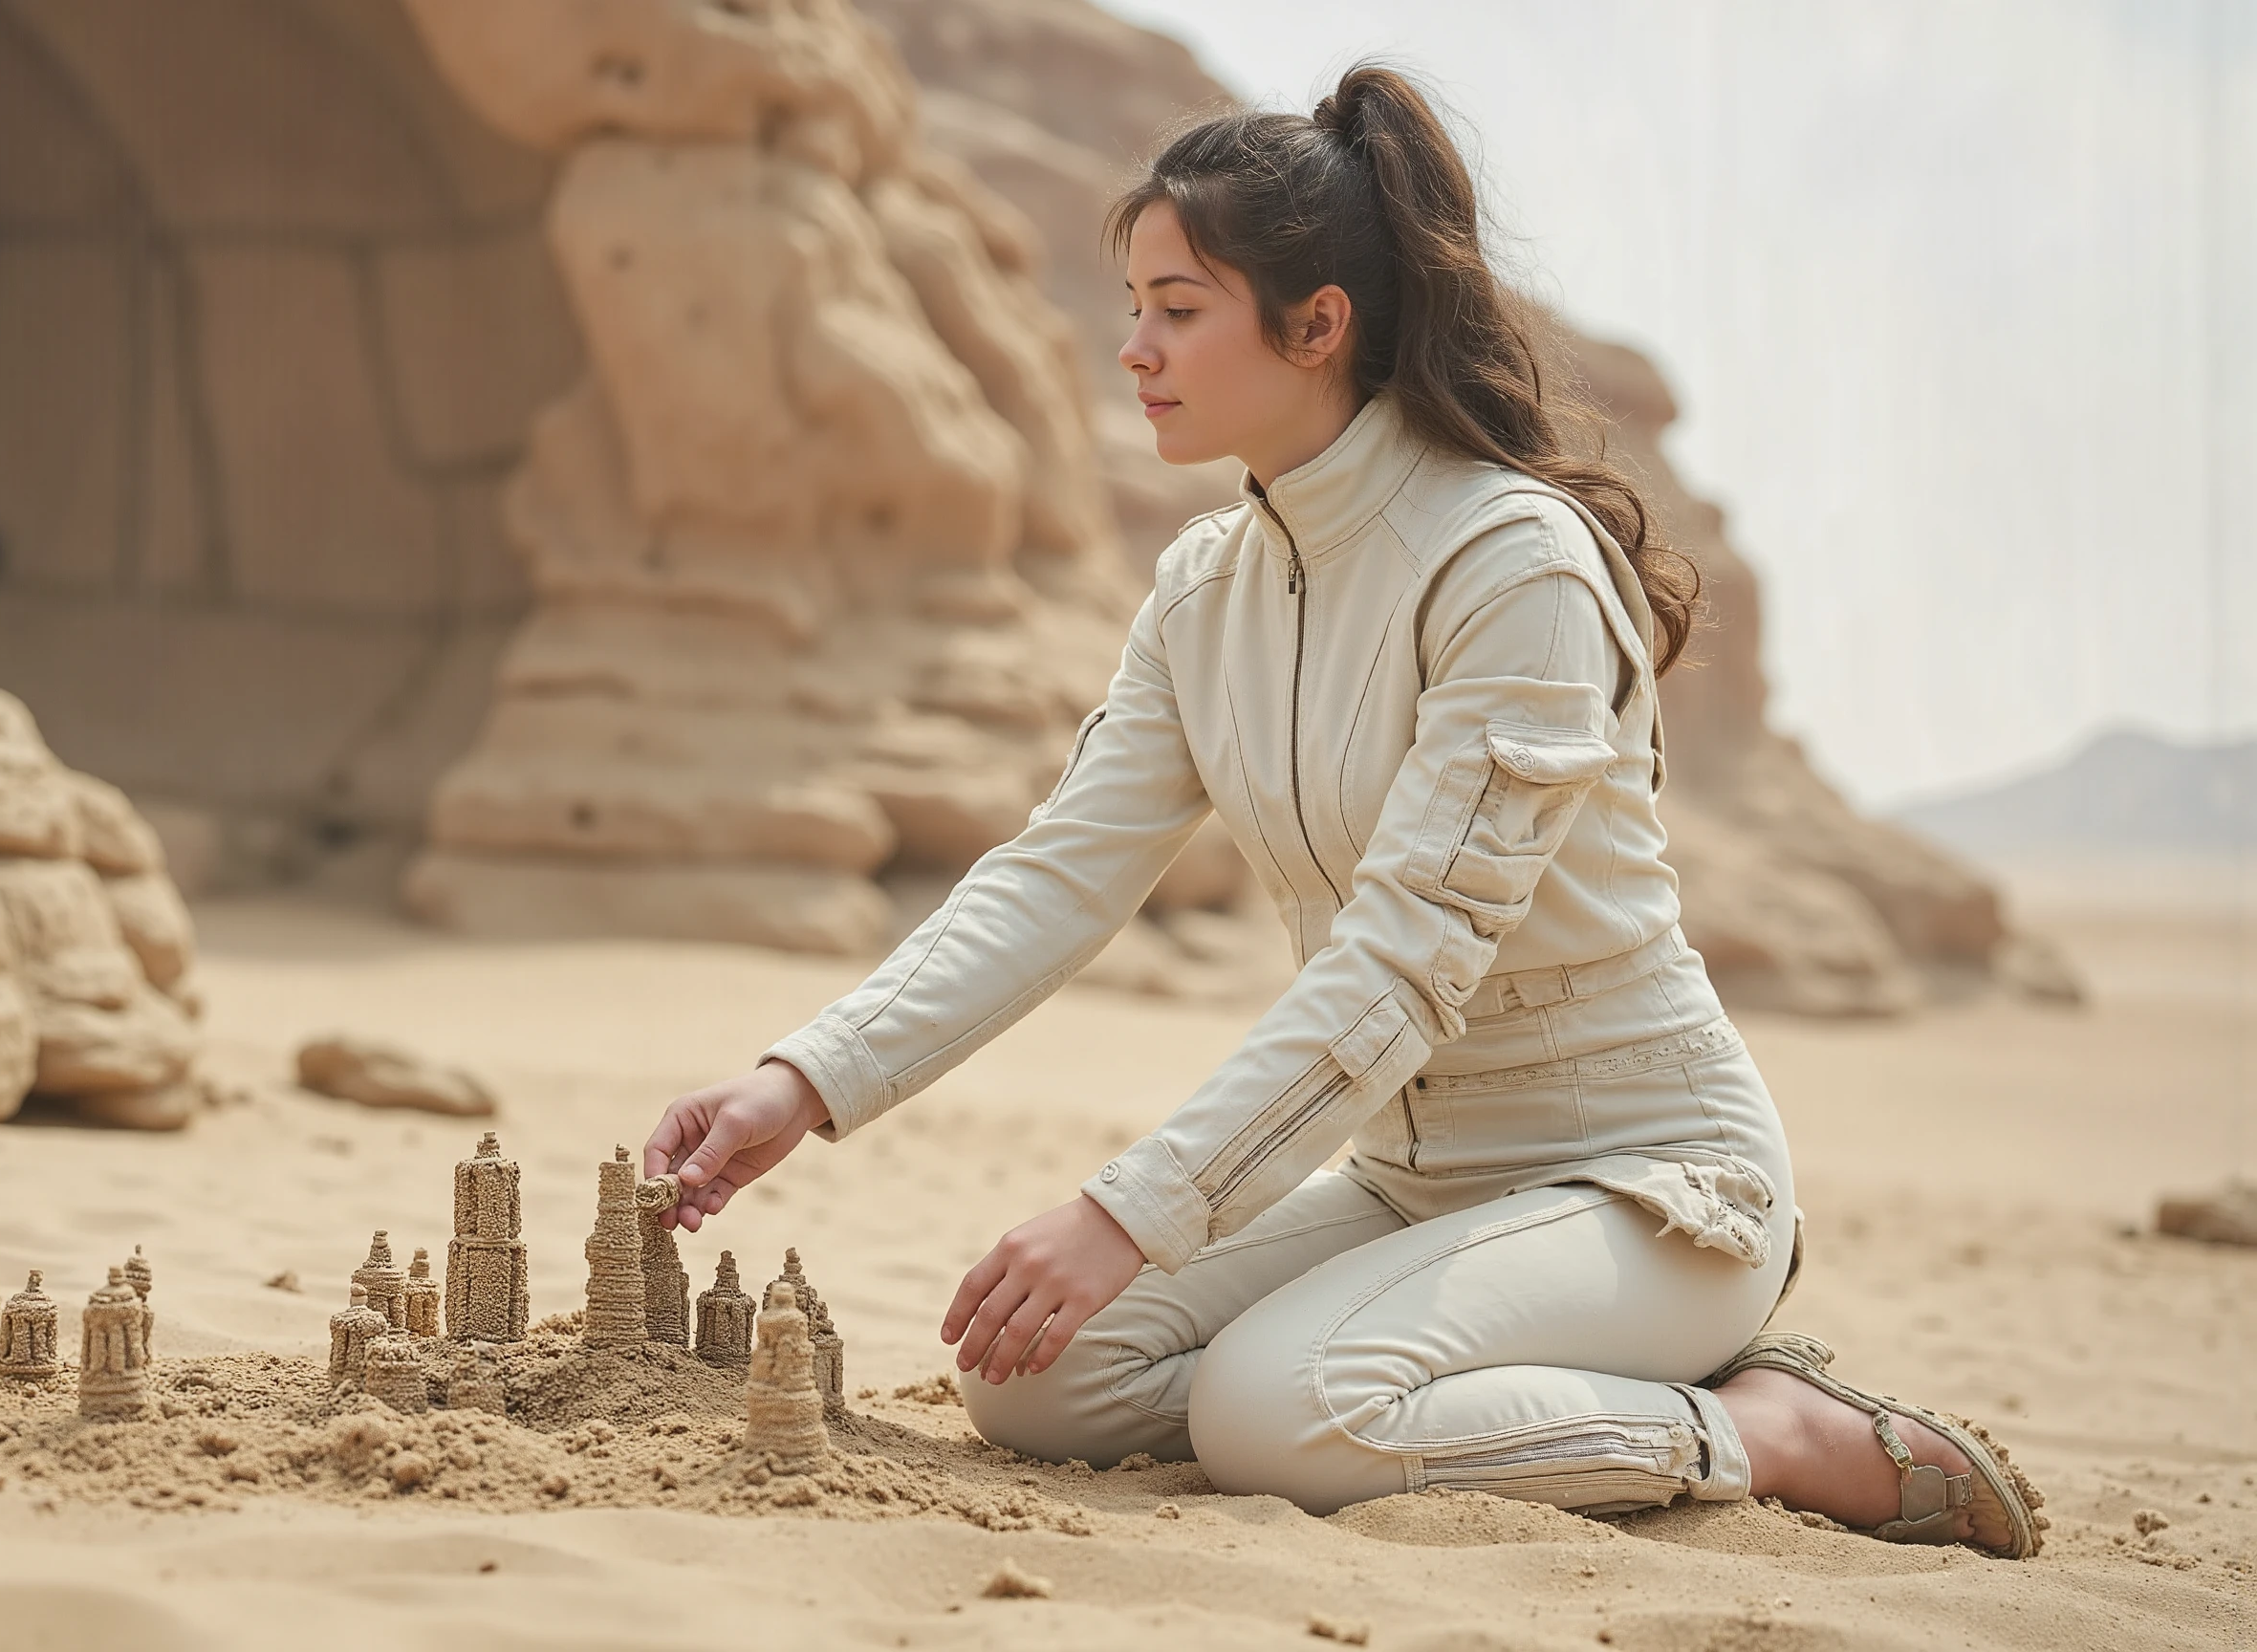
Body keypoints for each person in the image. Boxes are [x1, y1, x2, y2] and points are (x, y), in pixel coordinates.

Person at [641, 64, 2041, 1557]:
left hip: (1645, 1191)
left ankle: (1771, 1429)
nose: (1133, 350)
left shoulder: (1516, 567)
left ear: (1318, 326)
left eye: (1179, 309)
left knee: (1278, 1413)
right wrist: (807, 1081)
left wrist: (1129, 1213)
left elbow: (1399, 968)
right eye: (1135, 306)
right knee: (1043, 1387)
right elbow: (1060, 874)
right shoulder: (1207, 587)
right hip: (1409, 1187)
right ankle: (1498, 1378)